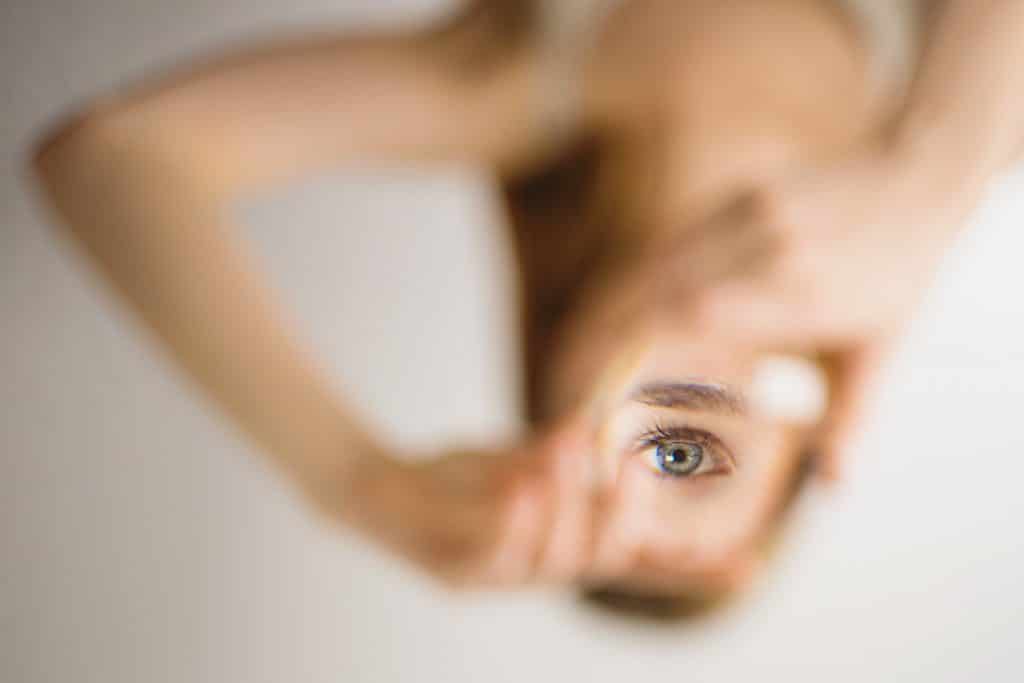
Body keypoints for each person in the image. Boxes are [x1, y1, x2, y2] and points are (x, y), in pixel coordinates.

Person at [30, 0, 1024, 602]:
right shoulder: (969, 113)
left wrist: (355, 479)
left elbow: (111, 155)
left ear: (555, 354)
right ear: (829, 393)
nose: (630, 469)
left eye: (589, 485)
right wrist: (933, 169)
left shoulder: (513, 74)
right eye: (685, 458)